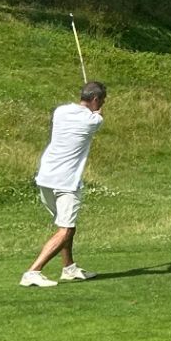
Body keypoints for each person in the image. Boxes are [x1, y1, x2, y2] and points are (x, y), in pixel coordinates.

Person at [21, 81, 107, 288]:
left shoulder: (60, 111)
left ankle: (69, 268)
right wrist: (98, 112)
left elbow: (85, 113)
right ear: (95, 99)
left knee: (67, 225)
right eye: (102, 100)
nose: (103, 104)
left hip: (46, 178)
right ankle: (33, 272)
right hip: (66, 182)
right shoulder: (94, 121)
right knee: (66, 230)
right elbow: (97, 118)